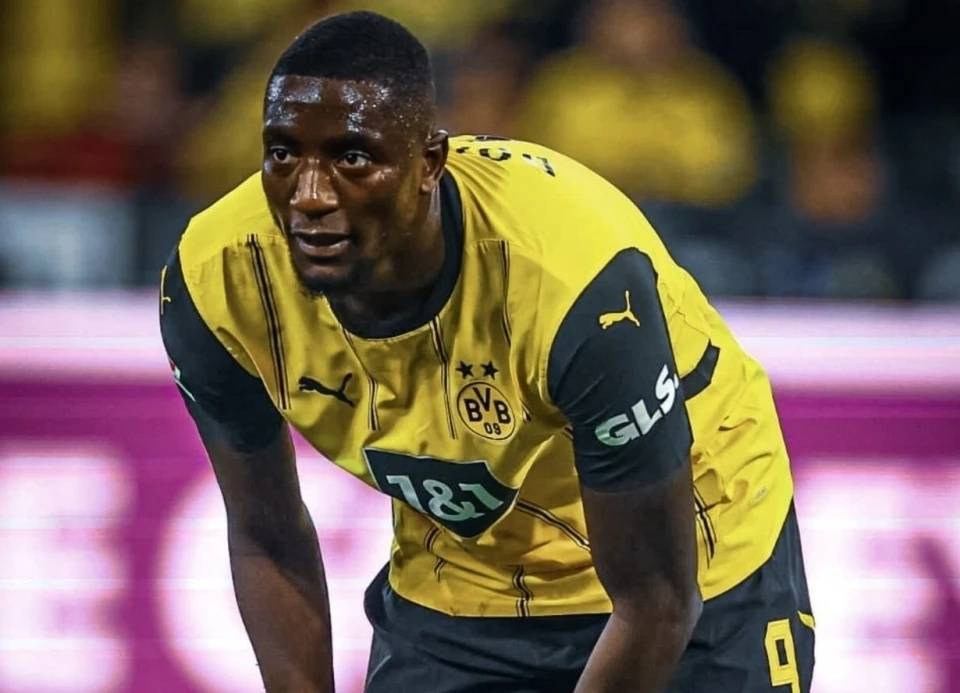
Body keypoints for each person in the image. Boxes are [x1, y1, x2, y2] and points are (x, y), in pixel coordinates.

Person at [159, 11, 814, 692]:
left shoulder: (574, 284)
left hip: (698, 562)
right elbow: (266, 534)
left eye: (352, 158)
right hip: (465, 582)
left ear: (428, 165)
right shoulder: (216, 281)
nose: (310, 195)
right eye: (282, 155)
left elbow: (657, 603)